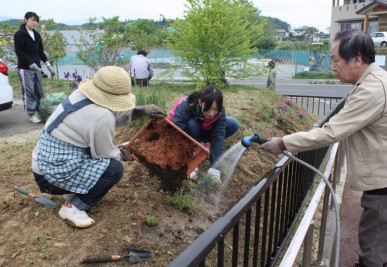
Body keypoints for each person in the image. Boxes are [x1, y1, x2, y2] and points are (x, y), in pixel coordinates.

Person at [259, 29, 387, 267]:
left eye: (336, 60)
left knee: (372, 257)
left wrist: (283, 143)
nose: (333, 67)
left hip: (385, 185)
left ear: (356, 59)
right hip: (386, 180)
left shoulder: (372, 89)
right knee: (374, 249)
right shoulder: (373, 80)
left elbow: (331, 132)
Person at [31, 66, 166, 229]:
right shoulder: (102, 117)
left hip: (43, 162)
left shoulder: (79, 95)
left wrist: (140, 111)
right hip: (52, 177)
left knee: (99, 159)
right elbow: (105, 154)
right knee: (113, 169)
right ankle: (74, 207)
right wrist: (125, 154)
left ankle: (73, 188)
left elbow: (107, 114)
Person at [169, 85, 240, 179]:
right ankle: (195, 146)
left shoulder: (220, 111)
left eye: (215, 109)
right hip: (187, 131)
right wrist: (187, 160)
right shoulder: (187, 105)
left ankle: (204, 142)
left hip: (203, 129)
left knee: (233, 123)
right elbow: (177, 130)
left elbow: (219, 135)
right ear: (200, 102)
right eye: (208, 108)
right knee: (192, 125)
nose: (211, 113)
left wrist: (215, 168)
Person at [14, 11, 55, 123]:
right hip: (25, 68)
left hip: (37, 67)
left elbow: (40, 51)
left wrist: (47, 63)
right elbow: (19, 52)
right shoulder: (20, 34)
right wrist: (30, 63)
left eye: (36, 21)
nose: (34, 22)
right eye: (32, 20)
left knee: (39, 90)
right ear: (26, 19)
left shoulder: (36, 35)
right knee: (29, 91)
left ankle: (40, 111)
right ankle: (31, 114)